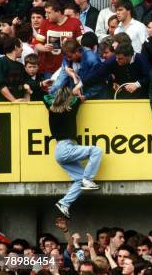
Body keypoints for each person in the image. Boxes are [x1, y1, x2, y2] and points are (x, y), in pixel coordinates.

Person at [46, 86, 103, 219]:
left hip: (59, 150)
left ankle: (64, 203)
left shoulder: (51, 109)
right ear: (69, 98)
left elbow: (45, 97)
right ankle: (88, 180)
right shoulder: (71, 108)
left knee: (79, 179)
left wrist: (56, 98)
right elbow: (80, 90)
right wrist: (76, 93)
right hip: (66, 147)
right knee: (96, 150)